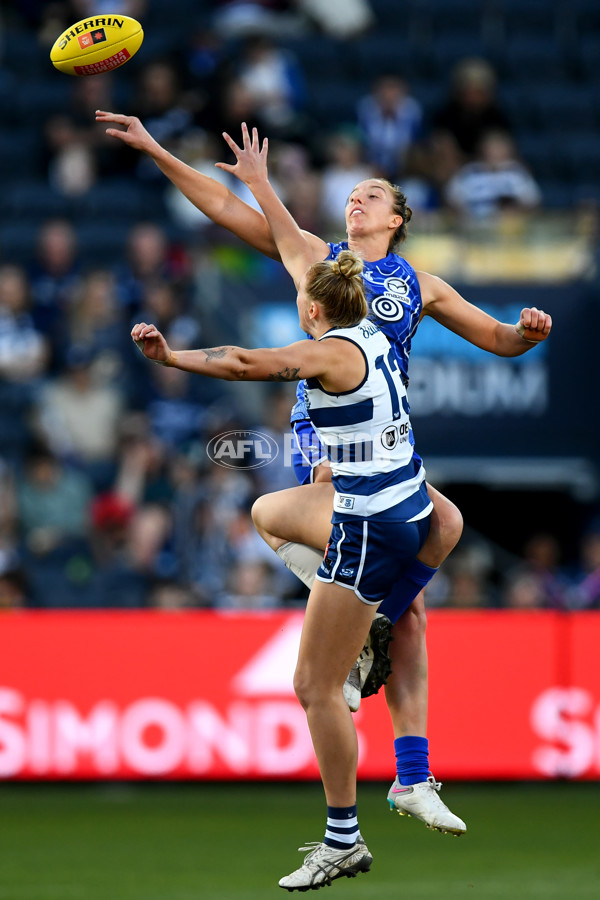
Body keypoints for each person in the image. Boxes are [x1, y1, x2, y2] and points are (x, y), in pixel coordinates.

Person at [96, 111, 552, 834]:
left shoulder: (420, 283)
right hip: (333, 456)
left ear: (399, 218)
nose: (357, 199)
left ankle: (408, 771)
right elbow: (222, 207)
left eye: (374, 194)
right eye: (354, 192)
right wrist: (157, 151)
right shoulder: (318, 259)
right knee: (399, 583)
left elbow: (498, 338)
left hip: (390, 453)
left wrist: (526, 334)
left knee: (423, 588)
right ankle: (371, 690)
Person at [131, 228, 432, 890]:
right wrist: (264, 188)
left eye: (304, 295)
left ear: (315, 309)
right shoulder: (378, 338)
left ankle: (342, 839)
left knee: (314, 688)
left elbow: (242, 362)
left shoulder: (327, 354)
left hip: (365, 527)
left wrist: (173, 357)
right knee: (269, 512)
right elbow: (300, 255)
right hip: (405, 510)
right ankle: (380, 624)